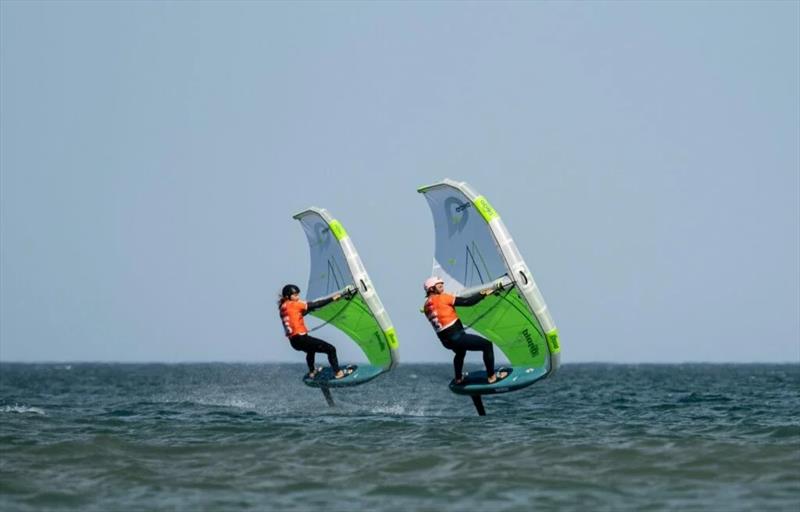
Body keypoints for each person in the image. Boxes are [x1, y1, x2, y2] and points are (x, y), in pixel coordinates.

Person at [422, 276, 508, 385]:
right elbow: (468, 302)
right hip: (457, 337)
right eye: (439, 286)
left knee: (460, 352)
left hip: (446, 342)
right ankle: (492, 377)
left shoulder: (426, 306)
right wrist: (484, 292)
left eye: (442, 285)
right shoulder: (442, 298)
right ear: (431, 289)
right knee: (487, 345)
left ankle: (458, 378)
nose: (443, 288)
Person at [279, 284, 349, 379]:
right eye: (295, 295)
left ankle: (312, 371)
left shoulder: (283, 308)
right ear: (287, 296)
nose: (298, 297)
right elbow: (316, 304)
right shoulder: (295, 304)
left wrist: (310, 309)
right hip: (302, 339)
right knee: (331, 349)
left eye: (298, 295)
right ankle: (338, 373)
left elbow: (297, 314)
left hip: (294, 343)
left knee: (310, 350)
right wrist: (333, 299)